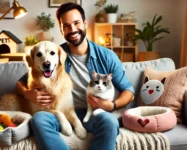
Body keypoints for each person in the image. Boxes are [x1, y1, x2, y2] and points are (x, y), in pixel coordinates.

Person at [16, 2, 134, 150]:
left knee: (110, 121)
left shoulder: (107, 56)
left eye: (76, 23)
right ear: (61, 30)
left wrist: (112, 105)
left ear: (85, 24)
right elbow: (20, 82)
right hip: (64, 113)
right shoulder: (56, 54)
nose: (72, 29)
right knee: (39, 119)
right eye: (66, 26)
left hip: (95, 114)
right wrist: (27, 93)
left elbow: (129, 91)